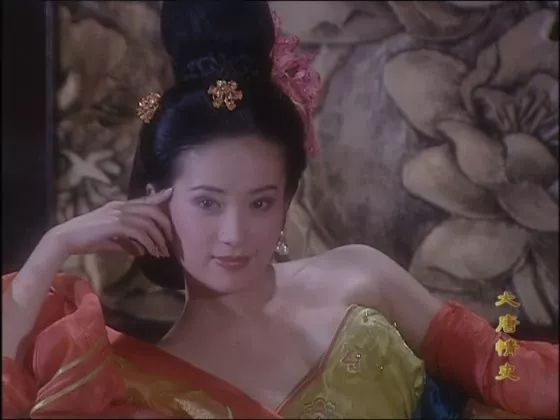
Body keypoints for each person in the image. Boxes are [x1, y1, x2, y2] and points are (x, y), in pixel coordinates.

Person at [2, 2, 558, 419]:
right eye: (207, 202)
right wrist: (55, 245)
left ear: (286, 199)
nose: (235, 233)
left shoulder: (359, 275)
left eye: (261, 202)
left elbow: (503, 370)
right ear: (155, 199)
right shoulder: (133, 381)